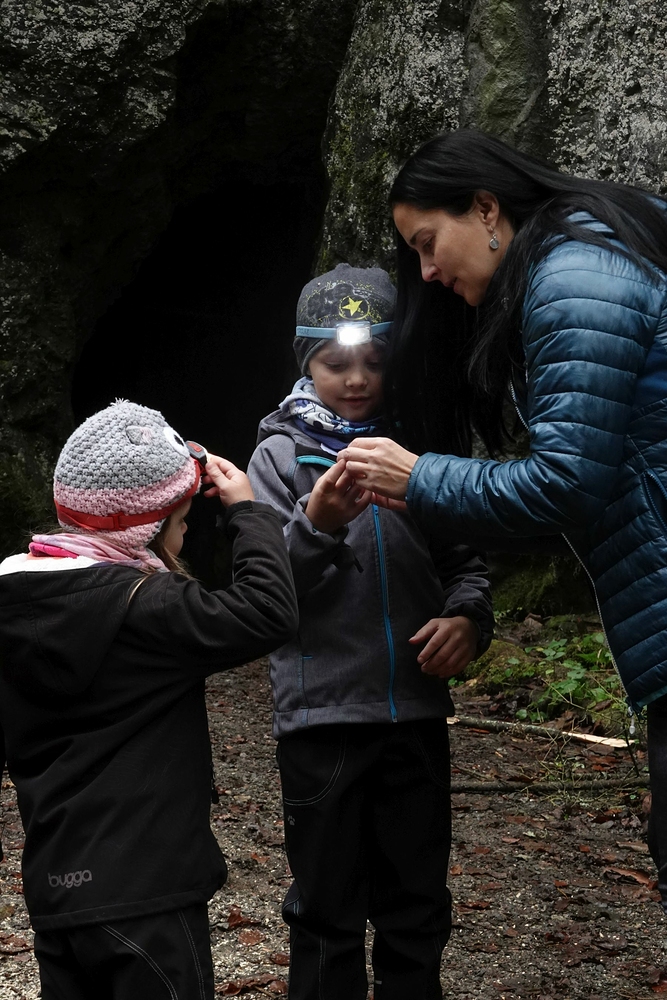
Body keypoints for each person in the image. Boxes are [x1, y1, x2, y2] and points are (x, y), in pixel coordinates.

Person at [335, 129, 667, 910]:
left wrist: (418, 476)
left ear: (485, 209)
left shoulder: (574, 280)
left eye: (426, 243)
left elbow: (566, 484)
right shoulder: (592, 250)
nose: (425, 272)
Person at [247, 263, 494, 1000]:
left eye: (375, 362)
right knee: (326, 907)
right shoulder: (278, 456)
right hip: (321, 721)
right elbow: (263, 591)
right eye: (335, 363)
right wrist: (317, 524)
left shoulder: (420, 452)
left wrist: (468, 619)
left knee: (415, 903)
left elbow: (464, 562)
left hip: (414, 716)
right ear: (306, 364)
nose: (356, 379)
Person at [0, 399, 298, 1000]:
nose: (186, 534)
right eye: (181, 521)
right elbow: (268, 611)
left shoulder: (14, 604)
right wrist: (248, 511)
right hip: (149, 893)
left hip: (57, 893)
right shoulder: (145, 607)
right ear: (146, 527)